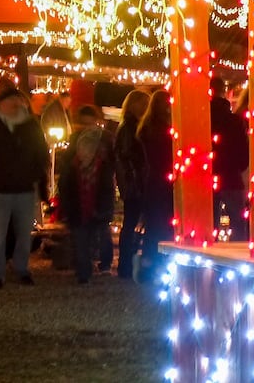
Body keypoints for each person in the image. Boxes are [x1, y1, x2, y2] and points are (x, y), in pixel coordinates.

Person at [0, 87, 50, 289]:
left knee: (24, 233)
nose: (16, 105)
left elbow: (41, 155)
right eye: (11, 102)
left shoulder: (30, 125)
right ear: (2, 105)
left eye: (18, 101)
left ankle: (21, 268)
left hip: (24, 189)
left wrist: (34, 177)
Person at [57, 104, 116, 283]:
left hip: (96, 208)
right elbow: (65, 187)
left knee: (99, 235)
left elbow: (106, 190)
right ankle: (84, 272)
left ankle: (102, 264)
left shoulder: (102, 167)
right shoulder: (72, 168)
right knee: (82, 240)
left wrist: (105, 209)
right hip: (79, 209)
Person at [136, 89, 175, 281]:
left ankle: (148, 265)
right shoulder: (164, 131)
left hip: (151, 180)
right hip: (163, 180)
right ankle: (160, 265)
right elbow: (166, 155)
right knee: (164, 225)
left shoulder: (145, 128)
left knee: (153, 225)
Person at [114, 89, 152, 279]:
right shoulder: (131, 127)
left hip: (131, 182)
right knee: (131, 223)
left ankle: (126, 264)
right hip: (134, 183)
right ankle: (126, 265)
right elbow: (131, 156)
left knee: (130, 223)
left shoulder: (127, 126)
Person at [210, 79, 249, 242]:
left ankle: (209, 258)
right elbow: (244, 152)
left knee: (209, 223)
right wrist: (239, 167)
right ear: (225, 92)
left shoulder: (201, 118)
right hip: (232, 176)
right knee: (238, 224)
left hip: (208, 177)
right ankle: (238, 258)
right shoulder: (234, 121)